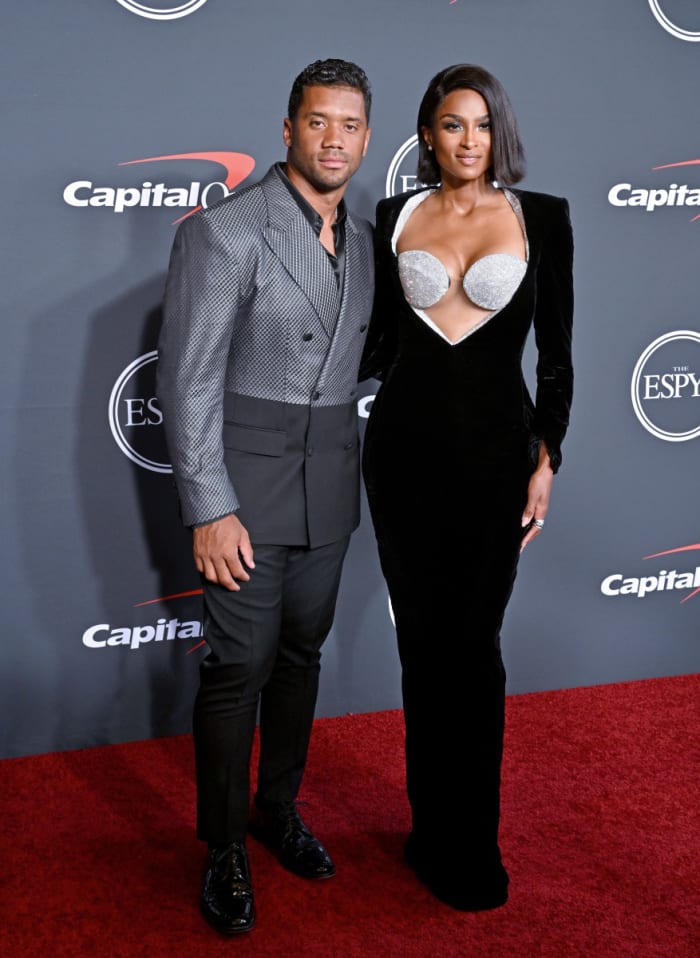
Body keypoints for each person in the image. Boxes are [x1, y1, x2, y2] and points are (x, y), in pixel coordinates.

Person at [157, 58, 373, 935]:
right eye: (318, 122)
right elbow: (187, 379)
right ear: (287, 130)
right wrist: (209, 506)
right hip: (245, 485)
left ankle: (274, 810)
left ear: (367, 137)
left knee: (300, 655)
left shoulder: (364, 238)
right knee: (237, 665)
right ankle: (223, 845)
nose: (334, 139)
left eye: (351, 125)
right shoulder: (226, 231)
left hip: (330, 479)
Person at [361, 64, 573, 911]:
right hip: (402, 454)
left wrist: (546, 456)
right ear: (428, 134)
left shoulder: (542, 218)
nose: (468, 140)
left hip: (495, 459)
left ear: (500, 134)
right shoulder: (392, 216)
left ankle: (471, 845)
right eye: (452, 125)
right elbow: (372, 343)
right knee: (421, 646)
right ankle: (427, 831)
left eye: (481, 125)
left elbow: (555, 359)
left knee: (473, 650)